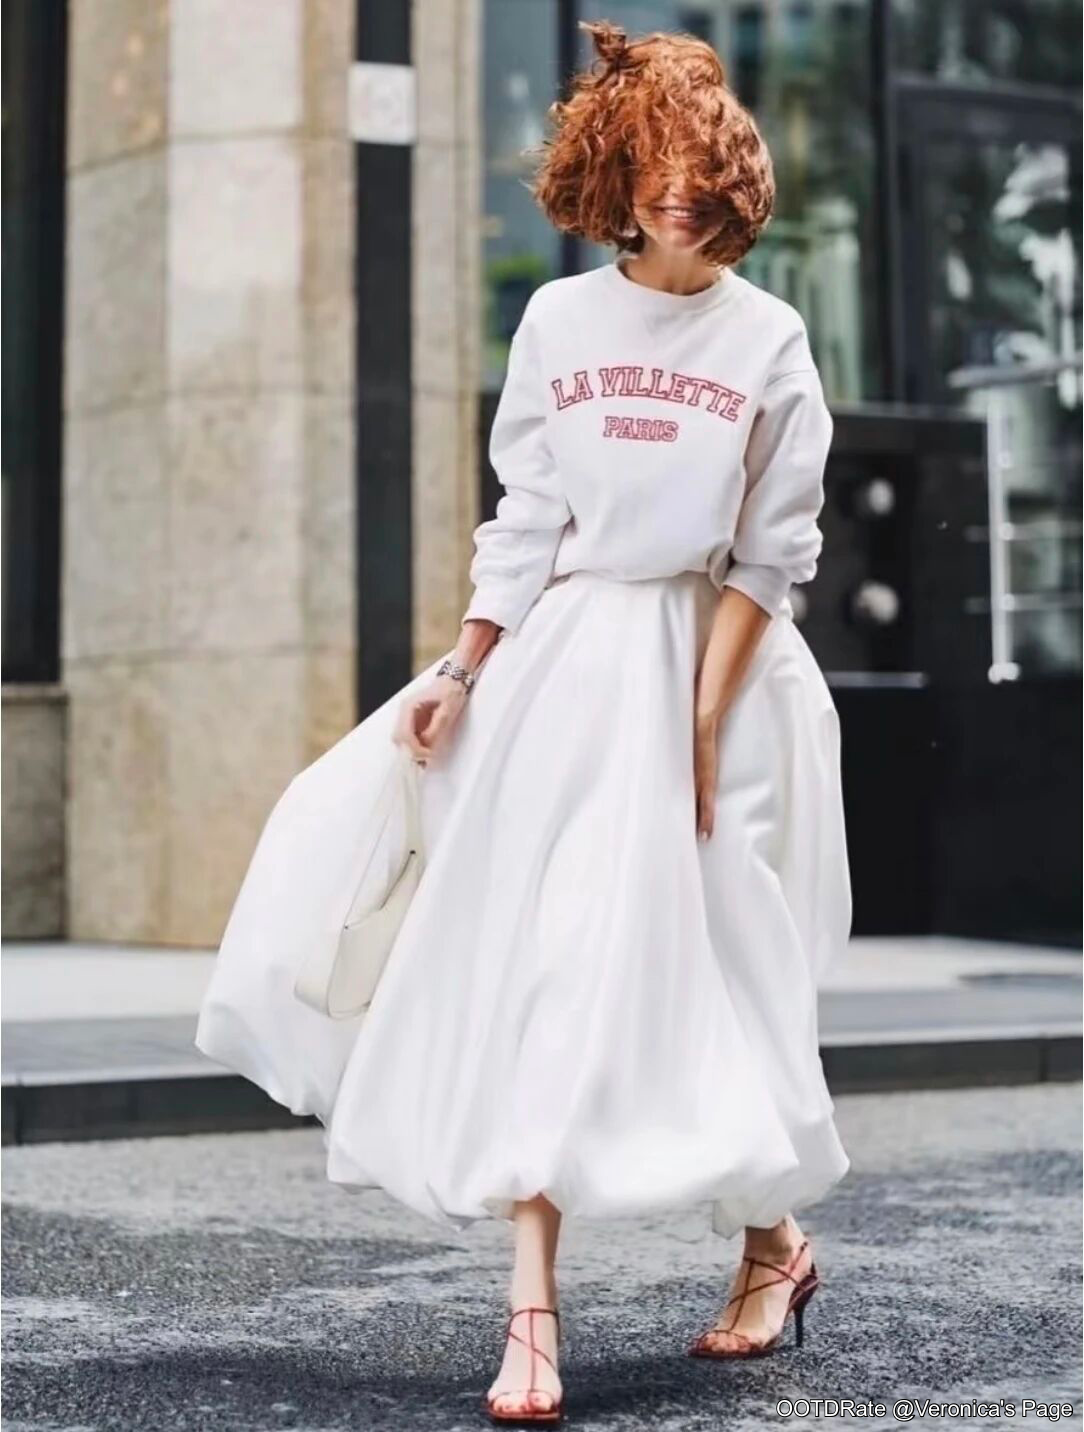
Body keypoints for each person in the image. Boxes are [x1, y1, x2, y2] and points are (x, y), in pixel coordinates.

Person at [196, 18, 852, 1425]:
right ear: (610, 170)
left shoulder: (770, 336)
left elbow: (770, 559)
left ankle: (771, 1245)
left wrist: (693, 721)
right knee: (549, 970)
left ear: (730, 174)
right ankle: (532, 1312)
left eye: (696, 162)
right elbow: (530, 519)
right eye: (647, 161)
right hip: (570, 671)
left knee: (725, 980)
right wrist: (463, 668)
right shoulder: (558, 321)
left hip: (719, 679)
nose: (674, 188)